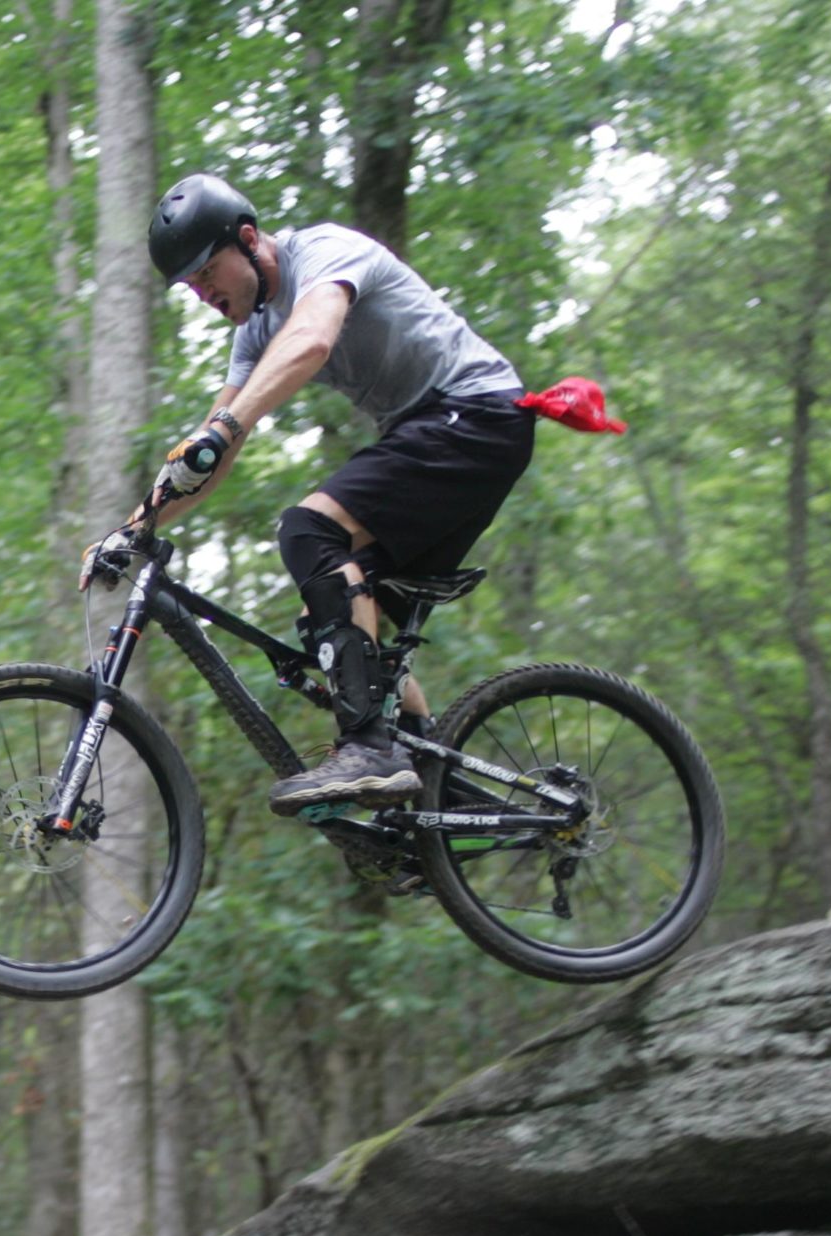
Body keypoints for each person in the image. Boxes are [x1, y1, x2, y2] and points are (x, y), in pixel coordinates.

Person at [96, 172, 537, 812]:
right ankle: (428, 795)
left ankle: (371, 750)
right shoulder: (252, 334)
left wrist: (225, 424)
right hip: (437, 432)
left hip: (476, 414)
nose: (203, 293)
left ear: (249, 239)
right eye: (190, 286)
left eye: (207, 272)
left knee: (310, 531)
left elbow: (311, 340)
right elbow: (211, 456)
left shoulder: (325, 252)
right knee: (330, 625)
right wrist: (134, 526)